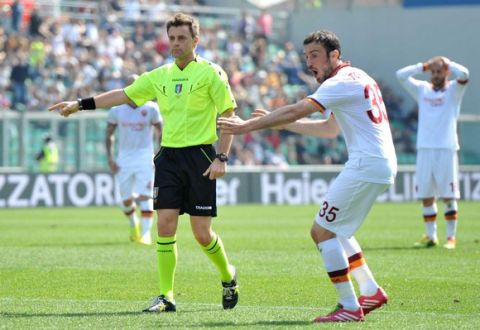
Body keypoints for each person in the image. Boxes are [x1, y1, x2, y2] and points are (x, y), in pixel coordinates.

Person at [48, 13, 239, 313]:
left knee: (202, 234)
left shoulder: (212, 73)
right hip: (168, 158)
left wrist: (222, 157)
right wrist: (80, 104)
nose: (175, 43)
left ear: (195, 41)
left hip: (201, 156)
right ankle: (167, 296)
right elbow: (123, 96)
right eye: (172, 38)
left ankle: (228, 276)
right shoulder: (159, 75)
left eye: (182, 38)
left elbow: (228, 115)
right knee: (164, 226)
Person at [218, 30, 397, 323]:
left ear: (334, 55)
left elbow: (297, 108)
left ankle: (349, 307)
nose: (309, 63)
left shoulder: (339, 83)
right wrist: (282, 126)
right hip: (378, 164)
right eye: (306, 57)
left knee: (321, 232)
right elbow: (329, 129)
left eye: (315, 56)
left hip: (366, 164)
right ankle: (370, 290)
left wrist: (249, 126)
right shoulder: (357, 77)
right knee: (337, 231)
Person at [396, 57, 469, 250]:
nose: (436, 75)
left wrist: (448, 62)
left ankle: (451, 238)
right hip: (425, 148)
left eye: (440, 72)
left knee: (449, 195)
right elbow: (400, 76)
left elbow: (465, 74)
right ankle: (431, 236)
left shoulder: (454, 90)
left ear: (446, 73)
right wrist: (423, 66)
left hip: (446, 148)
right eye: (433, 72)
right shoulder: (423, 90)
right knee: (426, 195)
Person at [105, 74, 162, 245]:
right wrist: (110, 158)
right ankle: (133, 222)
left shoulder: (151, 108)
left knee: (146, 196)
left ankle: (145, 234)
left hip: (145, 156)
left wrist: (159, 153)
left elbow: (161, 131)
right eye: (131, 85)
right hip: (124, 158)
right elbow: (109, 135)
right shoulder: (116, 110)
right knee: (125, 200)